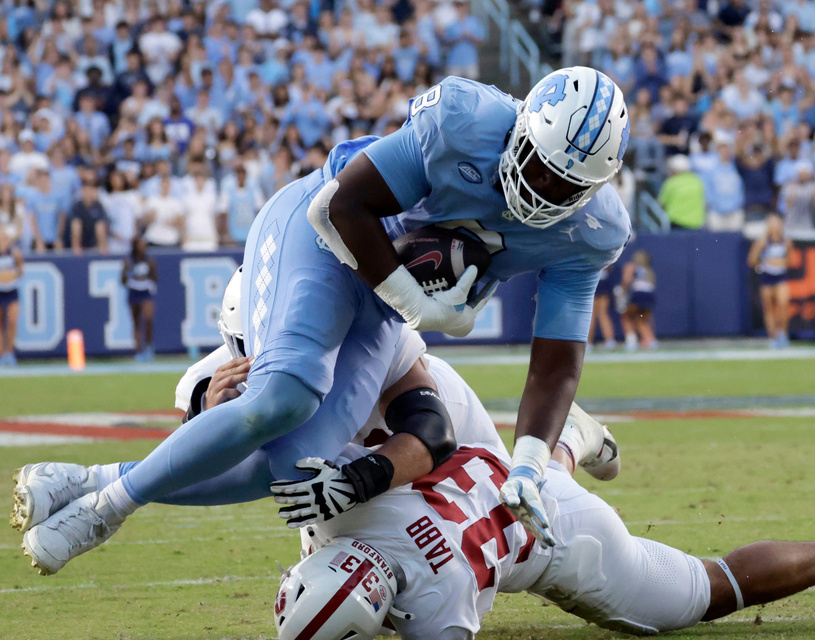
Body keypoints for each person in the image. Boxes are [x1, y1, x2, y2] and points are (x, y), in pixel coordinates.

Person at [19, 67, 631, 575]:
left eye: (567, 185)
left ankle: (93, 480)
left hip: (380, 307)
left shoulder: (591, 233)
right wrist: (419, 306)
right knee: (283, 395)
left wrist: (527, 461)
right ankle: (104, 509)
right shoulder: (465, 121)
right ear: (521, 126)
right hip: (324, 241)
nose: (542, 188)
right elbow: (336, 205)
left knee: (299, 472)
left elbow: (557, 358)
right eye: (538, 163)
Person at [275, 442, 815, 640]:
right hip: (513, 468)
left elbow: (425, 604)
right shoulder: (355, 508)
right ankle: (572, 437)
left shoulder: (434, 626)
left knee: (711, 587)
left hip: (566, 546)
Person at [748, 214, 793, 349]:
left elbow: (790, 261)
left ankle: (782, 334)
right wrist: (761, 266)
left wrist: (780, 263)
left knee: (783, 304)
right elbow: (752, 260)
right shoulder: (762, 242)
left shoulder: (786, 241)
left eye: (777, 223)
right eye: (771, 223)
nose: (774, 226)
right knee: (769, 309)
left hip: (780, 277)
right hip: (767, 278)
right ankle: (773, 337)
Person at [121, 238, 157, 362]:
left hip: (145, 291)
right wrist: (128, 273)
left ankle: (148, 346)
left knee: (148, 319)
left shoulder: (149, 261)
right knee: (136, 322)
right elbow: (123, 280)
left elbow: (154, 277)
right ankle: (138, 350)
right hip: (134, 291)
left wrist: (147, 284)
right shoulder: (129, 261)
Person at [618, 250, 657, 351]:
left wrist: (622, 292)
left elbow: (626, 281)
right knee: (642, 319)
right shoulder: (649, 270)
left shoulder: (631, 266)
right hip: (649, 294)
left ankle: (631, 341)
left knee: (625, 317)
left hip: (638, 294)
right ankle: (650, 339)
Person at [0, 222, 23, 366]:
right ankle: (2, 354)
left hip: (11, 292)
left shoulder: (14, 253)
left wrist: (12, 275)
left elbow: (20, 271)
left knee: (12, 321)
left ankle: (9, 352)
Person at [67, 181, 110, 255]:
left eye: (90, 191)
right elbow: (75, 224)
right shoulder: (77, 206)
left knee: (100, 226)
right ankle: (76, 248)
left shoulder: (98, 206)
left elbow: (102, 224)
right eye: (85, 191)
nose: (88, 194)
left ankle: (102, 249)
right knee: (76, 225)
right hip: (81, 239)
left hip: (93, 240)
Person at [588, 264, 617, 350]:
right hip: (602, 280)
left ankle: (589, 342)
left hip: (594, 279)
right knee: (602, 314)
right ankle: (610, 340)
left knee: (592, 314)